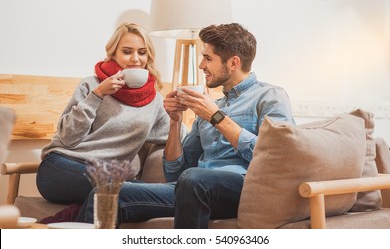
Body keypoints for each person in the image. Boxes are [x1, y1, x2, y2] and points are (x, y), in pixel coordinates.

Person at [76, 23, 295, 228]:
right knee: (105, 193)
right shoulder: (209, 107)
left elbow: (278, 158)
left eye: (208, 58)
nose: (201, 66)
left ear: (233, 63)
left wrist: (216, 117)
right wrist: (174, 121)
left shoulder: (270, 97)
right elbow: (176, 173)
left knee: (194, 179)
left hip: (243, 188)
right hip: (193, 189)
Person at [36, 23, 173, 205]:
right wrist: (97, 95)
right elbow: (67, 138)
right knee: (126, 190)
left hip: (109, 177)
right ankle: (131, 189)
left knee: (118, 192)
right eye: (127, 51)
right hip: (63, 166)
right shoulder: (91, 85)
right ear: (113, 53)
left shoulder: (154, 101)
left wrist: (184, 110)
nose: (135, 59)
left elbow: (175, 136)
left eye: (142, 52)